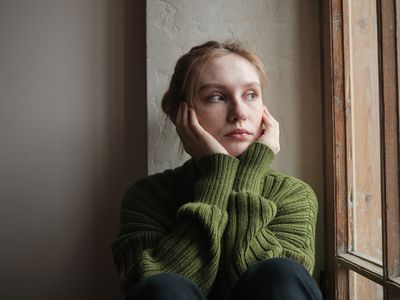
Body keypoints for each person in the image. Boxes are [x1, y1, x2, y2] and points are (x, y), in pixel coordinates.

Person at [111, 40, 323, 300]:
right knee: (164, 286)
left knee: (280, 272)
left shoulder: (294, 195)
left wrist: (249, 173)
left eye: (251, 95)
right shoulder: (148, 196)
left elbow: (277, 288)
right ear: (181, 114)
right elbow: (152, 285)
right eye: (217, 97)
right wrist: (217, 176)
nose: (239, 113)